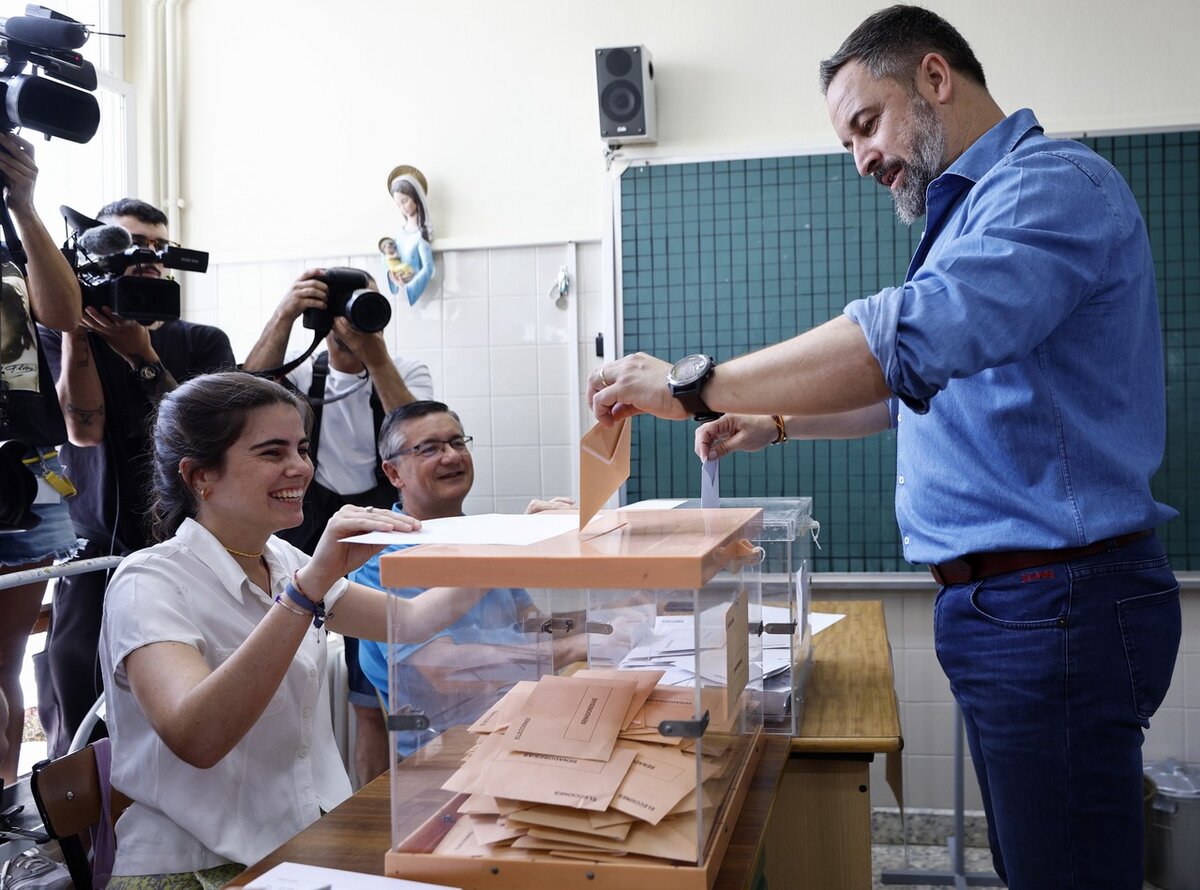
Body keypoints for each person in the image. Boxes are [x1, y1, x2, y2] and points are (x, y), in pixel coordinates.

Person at [587, 6, 1179, 888]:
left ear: (935, 79)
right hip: (1014, 608)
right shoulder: (969, 218)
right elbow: (923, 399)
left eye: (867, 123)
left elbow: (904, 338)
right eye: (849, 141)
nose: (862, 158)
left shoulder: (1048, 186)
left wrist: (692, 385)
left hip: (1055, 604)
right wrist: (777, 422)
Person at [98, 372, 491, 885]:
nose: (300, 468)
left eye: (302, 449)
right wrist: (307, 591)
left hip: (298, 843)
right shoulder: (149, 581)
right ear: (199, 476)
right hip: (196, 865)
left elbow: (410, 620)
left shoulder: (279, 557)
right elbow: (198, 737)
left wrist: (527, 543)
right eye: (271, 452)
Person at [38, 198, 236, 759]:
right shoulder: (60, 331)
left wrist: (143, 357)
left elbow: (215, 436)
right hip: (92, 557)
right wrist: (79, 331)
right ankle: (81, 845)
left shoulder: (201, 342)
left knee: (184, 706)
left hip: (191, 554)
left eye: (156, 248)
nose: (144, 258)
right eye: (127, 244)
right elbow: (83, 431)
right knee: (80, 720)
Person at [242, 267, 433, 783]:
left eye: (364, 303)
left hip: (380, 516)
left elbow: (413, 432)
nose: (355, 317)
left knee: (374, 688)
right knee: (288, 628)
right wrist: (285, 315)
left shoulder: (406, 369)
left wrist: (375, 355)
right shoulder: (303, 375)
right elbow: (243, 395)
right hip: (307, 517)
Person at [352, 400, 579, 764]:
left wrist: (605, 625)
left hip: (524, 728)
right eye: (430, 448)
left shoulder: (484, 538)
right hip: (449, 758)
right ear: (394, 474)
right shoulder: (381, 559)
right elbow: (444, 669)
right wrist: (574, 649)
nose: (451, 456)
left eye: (458, 443)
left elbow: (534, 625)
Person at [0, 130, 84, 784]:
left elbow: (62, 312)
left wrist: (25, 205)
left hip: (24, 462)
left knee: (4, 666)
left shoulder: (8, 228)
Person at [383, 164, 434, 305]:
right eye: (398, 204)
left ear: (416, 199)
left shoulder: (421, 236)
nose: (402, 208)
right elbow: (389, 260)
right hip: (401, 280)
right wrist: (392, 274)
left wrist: (409, 287)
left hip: (420, 294)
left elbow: (428, 268)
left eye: (404, 201)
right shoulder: (399, 234)